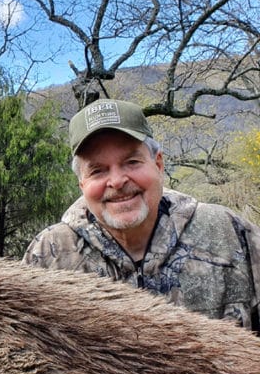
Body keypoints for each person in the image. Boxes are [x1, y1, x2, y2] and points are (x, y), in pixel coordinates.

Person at [22, 98, 260, 331]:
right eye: (97, 170)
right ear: (82, 184)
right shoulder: (48, 255)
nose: (117, 181)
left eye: (132, 162)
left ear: (158, 164)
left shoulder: (228, 231)